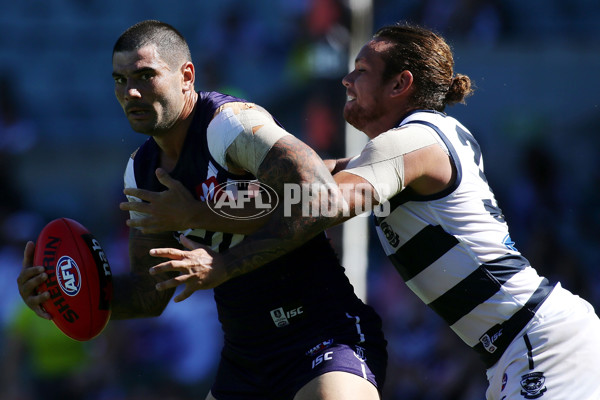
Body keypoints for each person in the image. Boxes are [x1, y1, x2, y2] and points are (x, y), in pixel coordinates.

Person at [142, 23, 600, 399]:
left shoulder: (413, 139)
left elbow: (320, 202)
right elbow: (297, 188)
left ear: (402, 84)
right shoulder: (408, 144)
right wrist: (202, 205)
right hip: (519, 347)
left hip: (540, 342)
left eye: (361, 70)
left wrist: (215, 245)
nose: (347, 80)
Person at [16, 20, 388, 400]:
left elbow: (320, 197)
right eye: (119, 80)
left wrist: (210, 236)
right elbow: (151, 292)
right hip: (245, 361)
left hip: (323, 337)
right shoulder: (142, 171)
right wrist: (65, 296)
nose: (130, 91)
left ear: (186, 76)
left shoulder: (232, 126)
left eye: (145, 76)